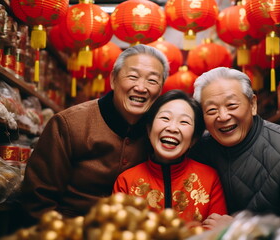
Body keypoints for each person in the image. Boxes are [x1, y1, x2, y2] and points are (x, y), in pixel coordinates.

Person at [19, 44, 170, 222]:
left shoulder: (159, 131)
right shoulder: (69, 123)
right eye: (133, 76)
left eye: (152, 81)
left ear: (160, 90)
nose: (141, 87)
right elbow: (38, 198)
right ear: (113, 79)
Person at [188, 67, 280, 228]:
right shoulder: (198, 151)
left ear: (253, 104)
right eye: (211, 110)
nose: (223, 116)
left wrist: (243, 230)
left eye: (232, 105)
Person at [113, 90, 227, 224]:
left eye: (184, 122)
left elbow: (217, 232)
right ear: (149, 129)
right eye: (165, 118)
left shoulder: (210, 178)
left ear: (194, 139)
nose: (172, 128)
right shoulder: (126, 181)